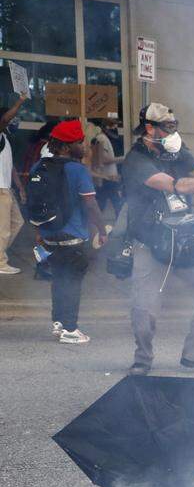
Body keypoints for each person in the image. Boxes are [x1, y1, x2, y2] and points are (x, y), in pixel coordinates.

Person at [122, 103, 194, 376]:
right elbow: (178, 185)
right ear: (149, 128)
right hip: (149, 239)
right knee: (145, 307)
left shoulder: (176, 151)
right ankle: (143, 359)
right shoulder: (136, 160)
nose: (173, 132)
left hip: (184, 236)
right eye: (167, 127)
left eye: (175, 126)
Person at [30, 120, 105, 343]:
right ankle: (70, 329)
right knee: (72, 282)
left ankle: (59, 323)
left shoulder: (38, 166)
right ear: (65, 146)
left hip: (49, 235)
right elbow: (91, 205)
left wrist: (38, 231)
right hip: (72, 237)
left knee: (59, 279)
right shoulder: (78, 170)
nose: (84, 146)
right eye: (80, 142)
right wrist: (102, 230)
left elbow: (35, 201)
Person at [0, 93, 28, 275]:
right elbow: (4, 119)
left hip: (6, 189)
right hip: (0, 189)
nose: (14, 122)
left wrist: (20, 187)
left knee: (17, 222)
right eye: (12, 118)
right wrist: (20, 101)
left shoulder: (5, 140)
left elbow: (11, 167)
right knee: (3, 229)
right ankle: (0, 262)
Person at [90, 118, 124, 218]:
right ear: (105, 127)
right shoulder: (102, 139)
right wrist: (123, 158)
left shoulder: (101, 138)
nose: (115, 128)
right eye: (112, 125)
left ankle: (96, 225)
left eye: (116, 125)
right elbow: (103, 160)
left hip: (105, 177)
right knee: (116, 203)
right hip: (106, 178)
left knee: (104, 203)